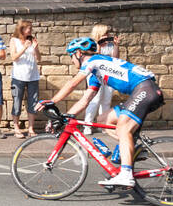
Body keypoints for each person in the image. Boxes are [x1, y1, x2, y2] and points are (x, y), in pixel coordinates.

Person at [40, 37, 163, 189]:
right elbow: (85, 100)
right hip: (144, 91)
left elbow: (72, 83)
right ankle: (133, 149)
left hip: (144, 89)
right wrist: (66, 117)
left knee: (123, 128)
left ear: (78, 53)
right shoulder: (97, 73)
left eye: (71, 56)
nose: (72, 61)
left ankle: (125, 174)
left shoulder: (94, 61)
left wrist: (52, 101)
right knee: (104, 119)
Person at [8, 19, 42, 138]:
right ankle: (16, 128)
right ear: (21, 29)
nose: (31, 30)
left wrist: (36, 48)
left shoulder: (32, 40)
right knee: (17, 102)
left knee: (33, 103)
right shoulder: (14, 40)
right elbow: (14, 57)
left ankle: (31, 128)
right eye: (29, 28)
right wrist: (24, 48)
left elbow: (39, 59)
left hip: (33, 77)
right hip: (18, 77)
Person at [82, 24, 117, 134]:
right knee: (94, 100)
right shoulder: (91, 44)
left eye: (108, 34)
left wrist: (116, 45)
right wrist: (99, 46)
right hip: (95, 75)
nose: (107, 35)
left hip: (108, 74)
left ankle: (103, 125)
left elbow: (115, 58)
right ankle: (87, 125)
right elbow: (93, 58)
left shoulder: (110, 45)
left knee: (106, 101)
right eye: (105, 33)